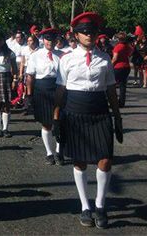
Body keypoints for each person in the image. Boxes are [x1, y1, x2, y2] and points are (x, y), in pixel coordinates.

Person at [53, 12, 123, 229]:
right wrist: (56, 117)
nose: (89, 35)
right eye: (84, 32)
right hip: (74, 112)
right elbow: (61, 90)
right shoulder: (66, 59)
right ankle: (85, 206)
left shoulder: (104, 59)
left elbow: (111, 89)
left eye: (92, 31)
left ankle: (100, 205)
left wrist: (117, 116)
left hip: (100, 111)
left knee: (105, 159)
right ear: (76, 35)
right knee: (80, 161)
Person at [25, 28, 63, 165]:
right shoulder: (36, 55)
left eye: (53, 39)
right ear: (43, 40)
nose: (50, 42)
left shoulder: (63, 55)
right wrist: (29, 95)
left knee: (60, 122)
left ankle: (59, 152)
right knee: (46, 123)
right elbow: (30, 76)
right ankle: (49, 153)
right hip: (42, 89)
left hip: (60, 88)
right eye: (47, 39)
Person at [112, 32, 132, 108]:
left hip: (118, 67)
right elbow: (130, 53)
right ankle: (121, 102)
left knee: (111, 85)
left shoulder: (118, 47)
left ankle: (114, 102)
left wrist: (110, 65)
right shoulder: (127, 46)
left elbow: (115, 58)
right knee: (122, 86)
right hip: (126, 66)